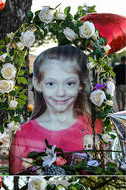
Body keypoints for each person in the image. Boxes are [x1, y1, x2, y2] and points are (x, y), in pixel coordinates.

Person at [10, 46, 103, 174]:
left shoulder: (95, 126)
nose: (60, 93)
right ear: (38, 84)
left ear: (81, 84)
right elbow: (16, 173)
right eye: (51, 84)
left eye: (69, 83)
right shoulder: (23, 134)